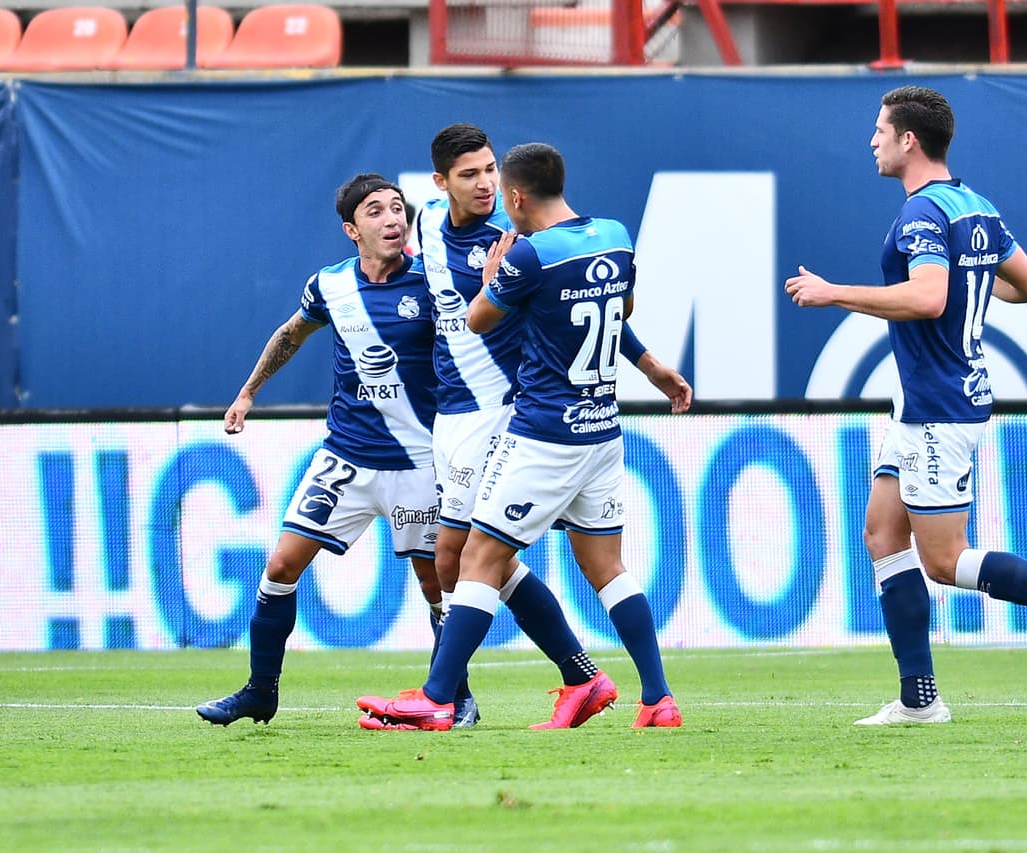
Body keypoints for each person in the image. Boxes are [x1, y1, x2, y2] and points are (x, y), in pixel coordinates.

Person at [785, 85, 1027, 725]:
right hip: (933, 394)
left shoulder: (921, 214)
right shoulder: (975, 206)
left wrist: (834, 292)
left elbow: (926, 299)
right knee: (882, 532)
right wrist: (973, 279)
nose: (873, 140)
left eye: (880, 130)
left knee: (945, 562)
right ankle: (919, 698)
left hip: (937, 404)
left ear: (908, 140)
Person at [357, 124, 690, 731]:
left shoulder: (520, 245)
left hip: (519, 418)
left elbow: (488, 317)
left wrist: (645, 362)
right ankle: (622, 687)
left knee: (468, 555)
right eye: (470, 173)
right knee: (569, 563)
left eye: (491, 172)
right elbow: (609, 303)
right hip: (545, 420)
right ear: (440, 184)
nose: (484, 184)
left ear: (514, 192)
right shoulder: (435, 222)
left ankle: (445, 698)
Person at [196, 173, 451, 726]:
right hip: (346, 458)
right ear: (351, 229)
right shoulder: (329, 285)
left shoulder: (433, 284)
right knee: (282, 564)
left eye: (397, 209)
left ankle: (451, 693)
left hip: (420, 462)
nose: (392, 219)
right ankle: (260, 690)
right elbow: (291, 333)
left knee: (436, 583)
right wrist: (247, 392)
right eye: (376, 211)